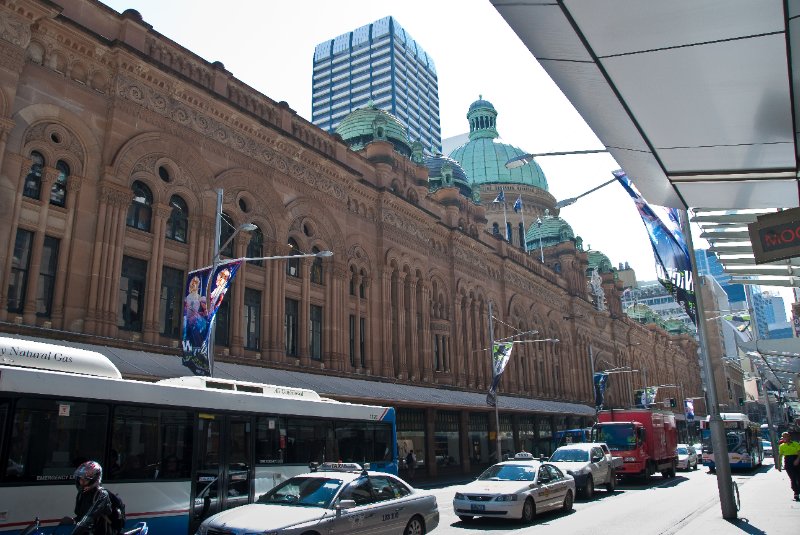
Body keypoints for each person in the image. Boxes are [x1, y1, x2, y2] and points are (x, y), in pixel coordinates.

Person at [73, 460, 113, 534]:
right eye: (80, 479)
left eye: (86, 479)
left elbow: (90, 516)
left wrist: (75, 532)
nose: (82, 482)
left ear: (95, 479)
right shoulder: (81, 494)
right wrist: (72, 520)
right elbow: (80, 516)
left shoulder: (102, 494)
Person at [776, 432, 800, 502]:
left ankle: (798, 490)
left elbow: (799, 453)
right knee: (793, 478)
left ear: (789, 437)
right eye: (783, 437)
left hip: (796, 460)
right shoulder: (782, 446)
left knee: (798, 477)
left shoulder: (795, 444)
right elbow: (780, 456)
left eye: (786, 436)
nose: (785, 438)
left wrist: (797, 460)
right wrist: (779, 465)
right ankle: (796, 493)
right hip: (788, 462)